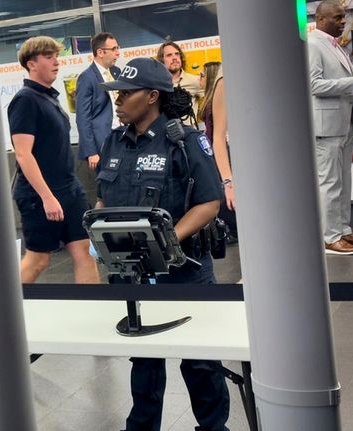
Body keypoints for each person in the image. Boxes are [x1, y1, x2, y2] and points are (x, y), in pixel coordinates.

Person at [98, 58, 230, 431]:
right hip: (132, 272)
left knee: (200, 362)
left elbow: (209, 202)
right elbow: (105, 199)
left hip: (184, 270)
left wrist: (167, 240)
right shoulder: (113, 142)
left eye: (126, 93)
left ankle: (214, 428)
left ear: (153, 96)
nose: (118, 100)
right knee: (144, 361)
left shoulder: (184, 141)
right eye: (117, 93)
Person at [8, 36, 100, 284]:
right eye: (48, 57)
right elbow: (23, 154)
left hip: (69, 188)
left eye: (56, 56)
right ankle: (6, 311)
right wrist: (47, 197)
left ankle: (94, 310)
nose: (56, 62)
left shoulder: (50, 98)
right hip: (39, 195)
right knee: (39, 260)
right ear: (31, 64)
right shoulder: (25, 100)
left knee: (84, 251)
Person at [308, 0, 353, 255]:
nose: (343, 22)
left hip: (342, 124)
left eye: (344, 17)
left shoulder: (335, 45)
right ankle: (330, 237)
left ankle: (344, 231)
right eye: (338, 17)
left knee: (343, 183)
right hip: (325, 127)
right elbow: (313, 85)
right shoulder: (314, 45)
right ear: (321, 18)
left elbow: (338, 82)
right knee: (330, 184)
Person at [197, 61, 237, 243]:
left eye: (203, 75)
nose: (200, 79)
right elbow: (218, 138)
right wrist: (228, 182)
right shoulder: (223, 82)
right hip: (226, 154)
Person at [75, 32, 121, 172]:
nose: (118, 53)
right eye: (114, 49)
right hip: (102, 143)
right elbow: (83, 118)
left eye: (118, 48)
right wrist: (91, 152)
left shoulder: (116, 72)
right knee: (108, 186)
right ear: (100, 52)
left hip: (122, 136)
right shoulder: (86, 78)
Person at [156, 40, 202, 123]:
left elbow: (213, 100)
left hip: (189, 133)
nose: (174, 58)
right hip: (165, 133)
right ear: (162, 60)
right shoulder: (156, 85)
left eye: (177, 54)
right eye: (169, 55)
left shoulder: (195, 80)